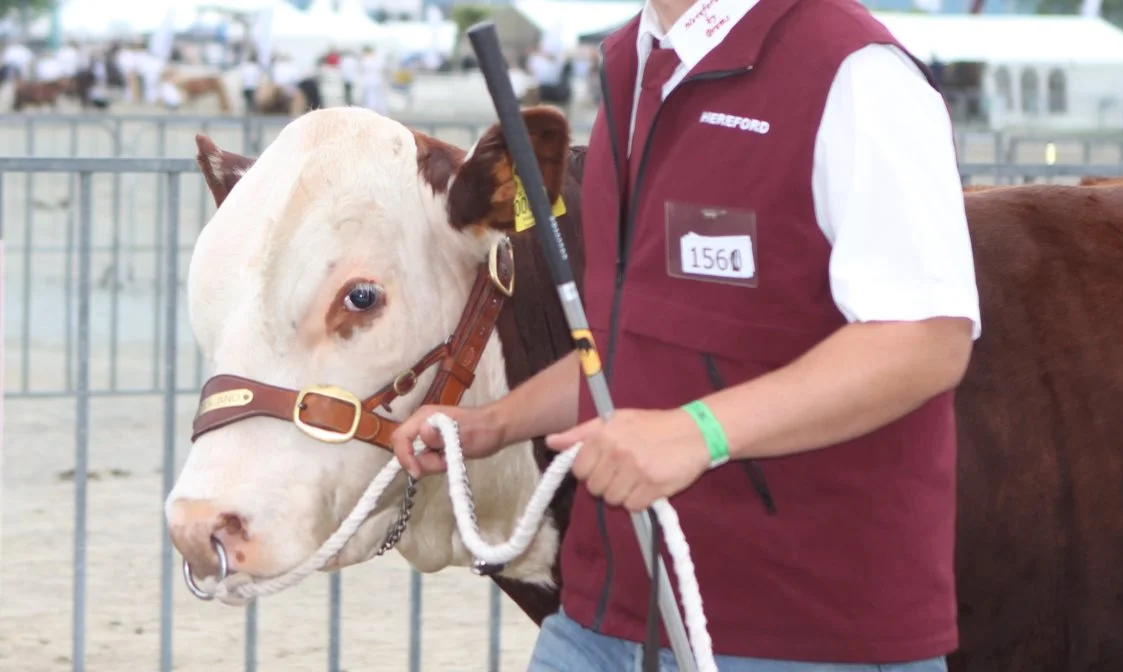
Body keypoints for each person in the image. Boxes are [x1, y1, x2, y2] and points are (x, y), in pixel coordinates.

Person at [391, 0, 979, 670]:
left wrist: (700, 430)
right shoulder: (627, 64)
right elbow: (628, 338)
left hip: (805, 637)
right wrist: (495, 423)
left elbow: (928, 339)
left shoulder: (856, 71)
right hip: (601, 617)